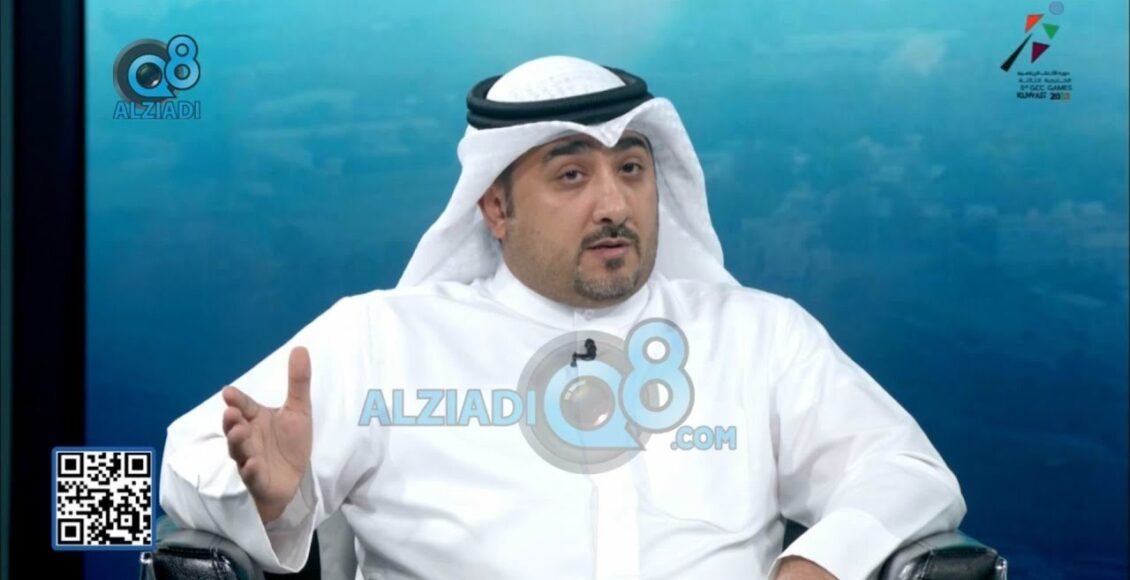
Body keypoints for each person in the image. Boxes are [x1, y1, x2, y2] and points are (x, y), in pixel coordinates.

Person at [159, 55, 966, 580]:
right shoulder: (384, 339)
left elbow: (904, 472)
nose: (614, 204)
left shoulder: (758, 335)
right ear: (496, 207)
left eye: (631, 170)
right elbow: (195, 459)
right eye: (572, 175)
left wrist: (820, 563)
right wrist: (274, 497)